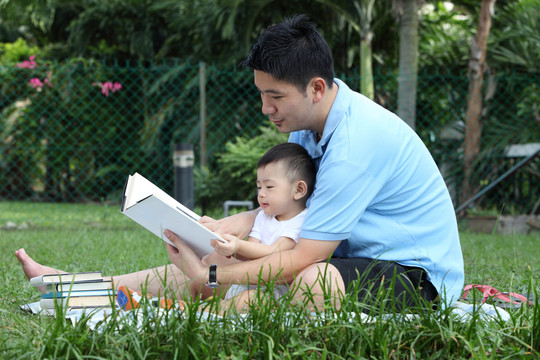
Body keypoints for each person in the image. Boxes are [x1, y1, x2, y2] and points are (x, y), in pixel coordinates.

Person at [17, 14, 464, 312]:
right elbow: (298, 201)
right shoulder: (309, 125)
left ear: (314, 87)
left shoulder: (356, 143)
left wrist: (213, 274)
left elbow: (305, 257)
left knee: (310, 280)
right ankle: (81, 287)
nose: (266, 109)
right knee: (217, 254)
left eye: (275, 96)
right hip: (350, 258)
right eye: (261, 94)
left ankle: (209, 321)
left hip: (415, 276)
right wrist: (240, 222)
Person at [210, 142, 316, 305]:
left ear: (299, 190)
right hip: (251, 281)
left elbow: (275, 252)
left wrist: (238, 245)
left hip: (277, 288)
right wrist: (228, 247)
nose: (261, 194)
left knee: (247, 301)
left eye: (269, 187)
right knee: (235, 299)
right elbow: (251, 252)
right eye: (259, 187)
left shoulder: (302, 220)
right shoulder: (263, 216)